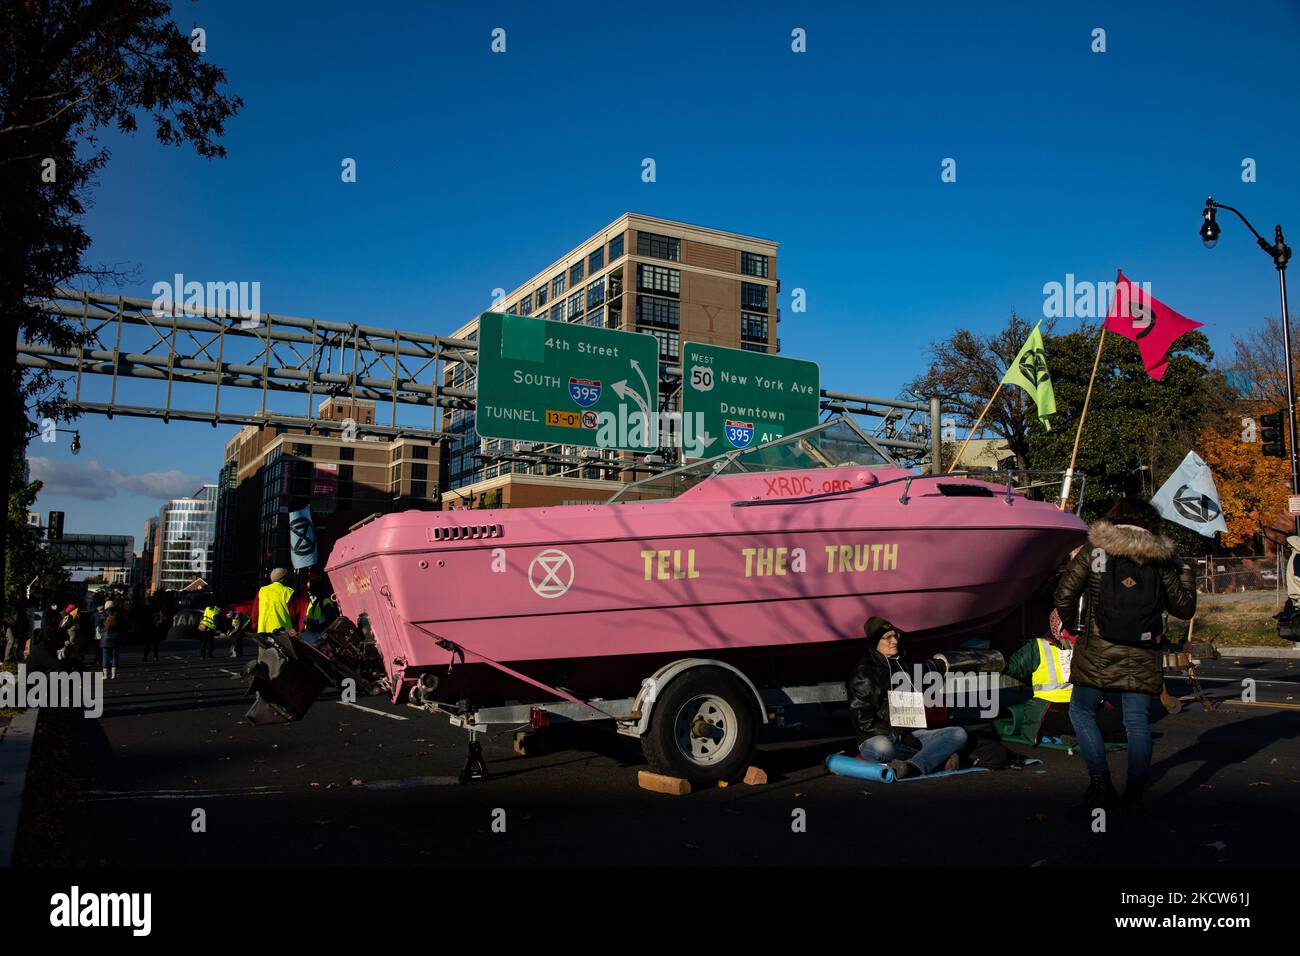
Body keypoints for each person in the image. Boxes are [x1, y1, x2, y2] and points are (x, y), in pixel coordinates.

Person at [1054, 498, 1197, 818]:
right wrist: (1186, 572)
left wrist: (1075, 628)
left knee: (1081, 711)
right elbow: (1184, 608)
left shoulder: (1096, 549)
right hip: (1143, 651)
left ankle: (1100, 783)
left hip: (1097, 648)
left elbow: (1064, 594)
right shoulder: (1161, 557)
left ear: (1114, 518)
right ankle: (1133, 795)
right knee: (1136, 722)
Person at [847, 616, 968, 779]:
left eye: (895, 635)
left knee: (959, 734)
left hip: (911, 734)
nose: (894, 641)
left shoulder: (902, 662)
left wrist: (942, 663)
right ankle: (935, 758)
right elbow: (863, 720)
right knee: (881, 748)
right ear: (876, 642)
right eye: (887, 637)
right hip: (880, 737)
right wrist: (895, 733)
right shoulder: (864, 673)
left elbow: (923, 669)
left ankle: (913, 766)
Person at [997, 610, 1125, 747]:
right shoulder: (1039, 646)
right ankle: (1081, 736)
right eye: (1070, 626)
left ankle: (1078, 736)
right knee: (1084, 723)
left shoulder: (1088, 645)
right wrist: (993, 661)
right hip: (1051, 709)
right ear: (1057, 626)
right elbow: (1015, 667)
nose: (1075, 631)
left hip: (1087, 707)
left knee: (1123, 719)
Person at [254, 568, 296, 637]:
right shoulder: (288, 592)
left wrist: (255, 626)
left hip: (263, 631)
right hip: (282, 634)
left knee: (264, 648)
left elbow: (255, 613)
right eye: (287, 577)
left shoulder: (262, 591)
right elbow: (294, 614)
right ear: (283, 579)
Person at [100, 599, 122, 679]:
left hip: (105, 638)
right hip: (116, 637)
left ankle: (105, 675)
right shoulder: (118, 615)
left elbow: (99, 626)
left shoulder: (103, 615)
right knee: (115, 656)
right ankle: (114, 674)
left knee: (105, 656)